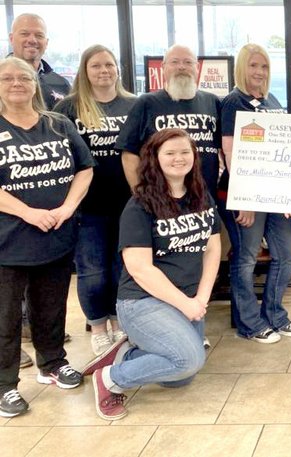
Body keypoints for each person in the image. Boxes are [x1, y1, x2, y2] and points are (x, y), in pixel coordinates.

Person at [84, 128, 221, 421]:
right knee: (188, 359)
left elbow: (212, 248)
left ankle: (127, 353)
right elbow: (140, 269)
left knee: (180, 377)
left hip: (186, 298)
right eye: (169, 153)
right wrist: (187, 305)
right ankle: (110, 378)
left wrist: (201, 298)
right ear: (155, 159)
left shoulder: (200, 195)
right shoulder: (140, 204)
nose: (178, 158)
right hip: (143, 300)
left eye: (185, 152)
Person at [0, 56, 94, 417]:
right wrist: (27, 212)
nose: (16, 83)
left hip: (56, 234)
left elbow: (84, 169)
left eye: (23, 77)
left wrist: (68, 207)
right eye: (7, 78)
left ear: (34, 82)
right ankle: (5, 385)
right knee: (5, 317)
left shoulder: (57, 124)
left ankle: (52, 363)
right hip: (9, 241)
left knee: (51, 308)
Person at [218, 44, 291, 343]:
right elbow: (229, 153)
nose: (259, 72)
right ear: (242, 68)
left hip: (274, 195)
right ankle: (250, 323)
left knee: (287, 252)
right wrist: (243, 198)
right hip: (246, 195)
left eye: (264, 67)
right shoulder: (233, 102)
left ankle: (275, 315)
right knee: (246, 258)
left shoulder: (272, 100)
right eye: (253, 66)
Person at [53, 45, 136, 356]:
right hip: (87, 207)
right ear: (84, 72)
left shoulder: (133, 105)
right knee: (92, 272)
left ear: (117, 69)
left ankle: (118, 323)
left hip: (128, 204)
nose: (104, 71)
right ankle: (98, 326)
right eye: (96, 66)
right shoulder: (69, 109)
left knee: (120, 269)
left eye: (109, 65)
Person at [116, 44, 221, 197]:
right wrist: (141, 195)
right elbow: (129, 154)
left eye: (188, 62)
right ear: (163, 67)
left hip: (205, 198)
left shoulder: (212, 102)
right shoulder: (146, 103)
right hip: (161, 200)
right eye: (174, 62)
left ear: (197, 67)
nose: (181, 67)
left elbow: (223, 149)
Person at [8, 13, 71, 109]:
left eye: (39, 35)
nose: (32, 40)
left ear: (46, 43)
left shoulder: (63, 85)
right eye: (24, 34)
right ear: (11, 39)